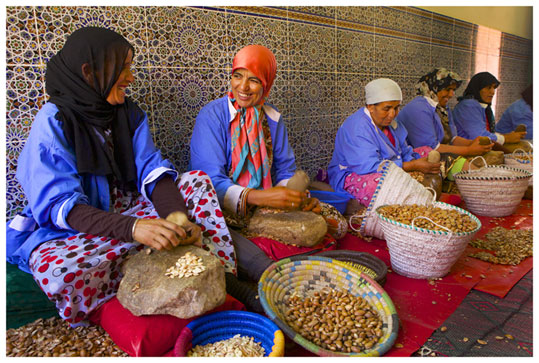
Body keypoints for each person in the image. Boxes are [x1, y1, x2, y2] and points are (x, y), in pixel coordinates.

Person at [6, 27, 236, 327]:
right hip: (77, 230)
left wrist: (177, 217)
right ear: (89, 72)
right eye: (123, 68)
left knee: (196, 182)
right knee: (56, 269)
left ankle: (211, 272)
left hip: (128, 211)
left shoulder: (128, 113)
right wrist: (135, 229)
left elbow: (152, 169)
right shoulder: (54, 121)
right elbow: (61, 207)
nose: (129, 77)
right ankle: (142, 266)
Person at [190, 45, 326, 281]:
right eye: (237, 76)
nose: (242, 87)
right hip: (220, 210)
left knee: (331, 222)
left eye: (253, 80)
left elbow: (285, 169)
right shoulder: (212, 116)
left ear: (266, 83)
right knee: (254, 257)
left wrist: (293, 197)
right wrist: (260, 197)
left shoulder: (272, 118)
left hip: (266, 205)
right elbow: (208, 180)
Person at [328, 78, 440, 207]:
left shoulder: (392, 124)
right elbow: (369, 167)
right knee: (378, 184)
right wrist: (413, 166)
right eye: (386, 108)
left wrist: (417, 162)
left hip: (393, 167)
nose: (392, 114)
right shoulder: (357, 127)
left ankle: (416, 192)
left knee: (427, 151)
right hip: (356, 174)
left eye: (396, 108)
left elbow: (404, 151)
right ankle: (415, 194)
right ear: (370, 107)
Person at [398, 68, 493, 179]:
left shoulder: (442, 107)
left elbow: (452, 138)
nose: (452, 94)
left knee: (487, 158)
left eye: (453, 90)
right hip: (420, 155)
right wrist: (469, 150)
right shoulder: (419, 108)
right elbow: (433, 148)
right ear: (435, 88)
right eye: (448, 89)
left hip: (438, 151)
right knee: (462, 167)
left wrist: (472, 143)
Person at [453, 72, 526, 148]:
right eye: (488, 87)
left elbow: (489, 133)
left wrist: (510, 136)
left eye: (494, 87)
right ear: (477, 88)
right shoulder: (467, 105)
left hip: (482, 148)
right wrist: (506, 138)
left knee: (525, 146)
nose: (493, 92)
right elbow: (480, 136)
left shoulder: (483, 106)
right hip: (467, 151)